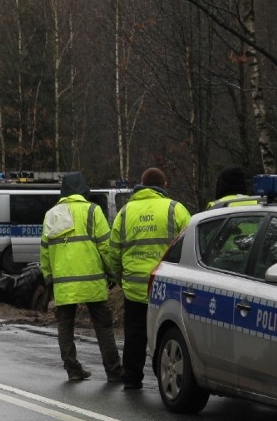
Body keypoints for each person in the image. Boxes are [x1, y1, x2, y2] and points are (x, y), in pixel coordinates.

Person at [110, 167, 191, 390]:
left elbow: (113, 252)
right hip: (167, 291)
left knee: (135, 335)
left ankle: (132, 378)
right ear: (164, 186)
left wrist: (121, 280)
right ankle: (170, 377)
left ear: (142, 185)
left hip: (135, 288)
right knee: (168, 334)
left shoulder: (125, 212)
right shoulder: (176, 209)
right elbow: (191, 245)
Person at [40, 173, 123, 382]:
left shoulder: (51, 215)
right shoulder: (92, 211)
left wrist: (49, 277)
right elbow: (105, 246)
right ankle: (113, 370)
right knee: (103, 326)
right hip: (92, 281)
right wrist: (113, 273)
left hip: (63, 284)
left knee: (64, 326)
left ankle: (73, 369)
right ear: (83, 189)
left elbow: (44, 251)